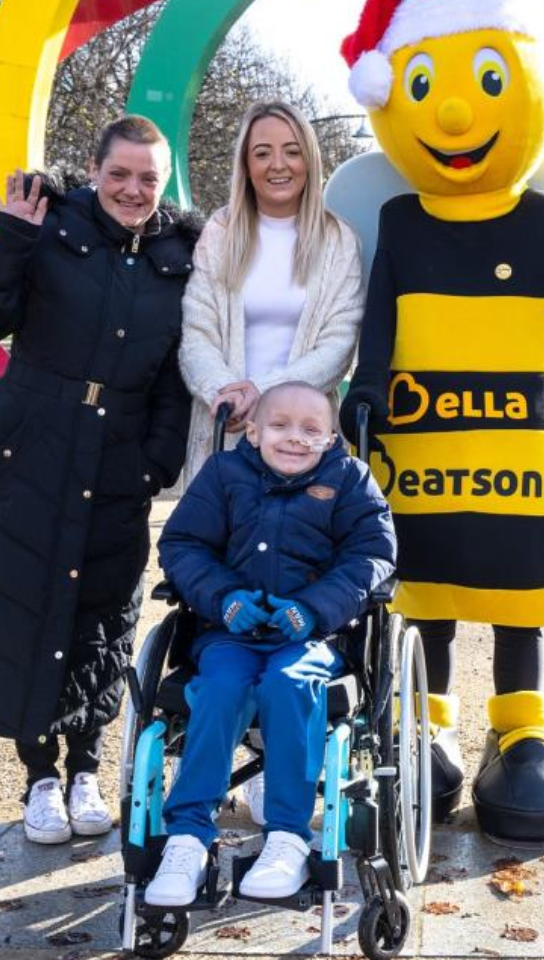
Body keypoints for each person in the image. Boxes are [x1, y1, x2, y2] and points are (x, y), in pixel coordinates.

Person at [0, 115, 200, 846]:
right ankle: (40, 775)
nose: (132, 190)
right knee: (24, 606)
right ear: (95, 170)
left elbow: (175, 373)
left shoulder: (182, 252)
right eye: (119, 174)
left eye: (147, 177)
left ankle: (87, 768)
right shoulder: (45, 224)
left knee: (102, 615)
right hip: (30, 452)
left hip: (118, 459)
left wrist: (156, 461)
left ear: (163, 180)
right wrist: (10, 238)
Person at [147, 382, 395, 905]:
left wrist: (312, 608)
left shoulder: (349, 479)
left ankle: (288, 836)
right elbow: (183, 545)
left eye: (311, 429)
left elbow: (371, 556)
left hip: (313, 635)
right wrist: (224, 598)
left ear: (331, 438)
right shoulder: (223, 475)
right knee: (218, 689)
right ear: (253, 430)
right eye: (280, 426)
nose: (295, 439)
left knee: (289, 684)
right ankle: (188, 837)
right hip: (228, 632)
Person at [177, 101, 364, 490]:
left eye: (292, 151)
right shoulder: (220, 232)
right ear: (246, 164)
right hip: (226, 433)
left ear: (309, 160)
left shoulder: (338, 240)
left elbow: (339, 343)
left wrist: (263, 394)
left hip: (304, 440)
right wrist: (223, 392)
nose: (278, 164)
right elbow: (197, 332)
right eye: (262, 153)